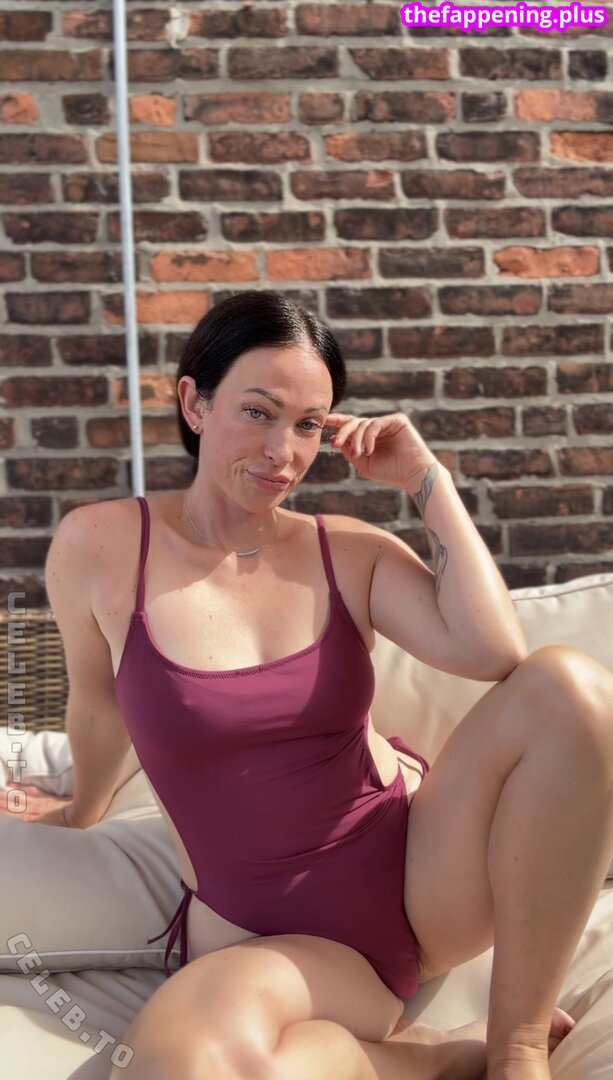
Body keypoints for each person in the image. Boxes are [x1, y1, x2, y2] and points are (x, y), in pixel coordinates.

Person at [12, 289, 613, 1079]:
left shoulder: (348, 552)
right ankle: (433, 1059)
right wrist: (78, 811)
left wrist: (423, 478)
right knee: (181, 1063)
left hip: (422, 879)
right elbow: (97, 704)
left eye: (306, 425)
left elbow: (492, 648)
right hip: (270, 938)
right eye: (257, 412)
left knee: (571, 687)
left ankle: (516, 1047)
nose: (281, 453)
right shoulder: (99, 545)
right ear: (194, 401)